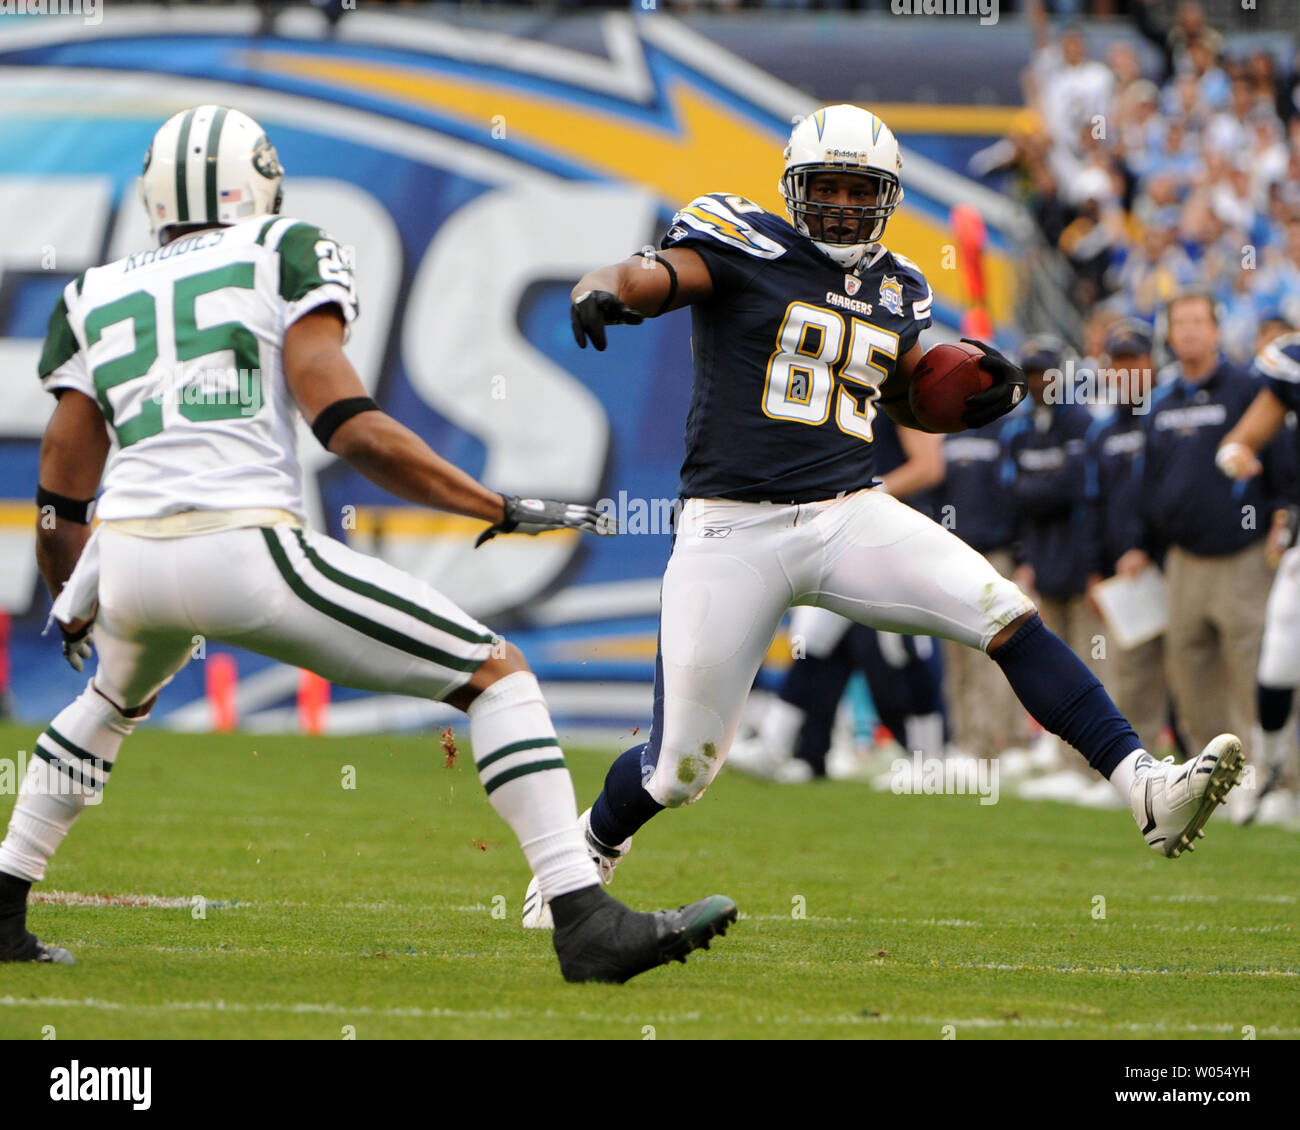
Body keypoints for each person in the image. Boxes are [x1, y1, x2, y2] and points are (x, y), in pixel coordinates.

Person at [0, 105, 737, 980]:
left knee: (106, 703)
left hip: (126, 558)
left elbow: (59, 483)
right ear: (261, 184)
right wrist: (486, 501)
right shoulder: (279, 249)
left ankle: (4, 907)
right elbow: (347, 425)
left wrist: (73, 596)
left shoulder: (94, 291)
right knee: (497, 676)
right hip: (241, 548)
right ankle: (583, 919)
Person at [521, 104, 1244, 928]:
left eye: (855, 188)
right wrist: (606, 288)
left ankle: (1144, 785)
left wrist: (965, 398)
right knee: (679, 768)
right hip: (732, 525)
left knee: (1004, 612)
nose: (837, 204)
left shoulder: (900, 287)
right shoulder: (744, 237)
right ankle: (588, 851)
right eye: (821, 186)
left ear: (886, 196)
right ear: (792, 189)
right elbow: (657, 273)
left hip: (846, 511)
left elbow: (902, 398)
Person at [1115, 291, 1291, 759]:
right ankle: (1211, 776)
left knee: (1253, 666)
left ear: (1216, 330)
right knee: (1190, 674)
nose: (1189, 330)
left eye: (1198, 321)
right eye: (1180, 323)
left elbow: (1278, 459)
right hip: (1182, 560)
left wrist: (1280, 512)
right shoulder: (1161, 399)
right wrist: (1137, 545)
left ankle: (1276, 778)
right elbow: (1147, 482)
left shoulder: (1248, 387)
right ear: (1169, 335)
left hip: (1244, 555)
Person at [1217, 332, 1300, 822]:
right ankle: (1270, 768)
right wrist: (1235, 459)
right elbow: (1238, 442)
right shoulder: (1291, 363)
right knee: (1277, 662)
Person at [1084, 320, 1170, 756]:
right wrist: (1095, 569)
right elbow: (1095, 505)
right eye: (1116, 364)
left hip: (1174, 560)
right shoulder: (1102, 431)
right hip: (1126, 573)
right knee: (1133, 677)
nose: (1125, 372)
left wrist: (1151, 547)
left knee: (1197, 672)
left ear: (1151, 362)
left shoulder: (1168, 412)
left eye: (1132, 361)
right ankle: (1141, 773)